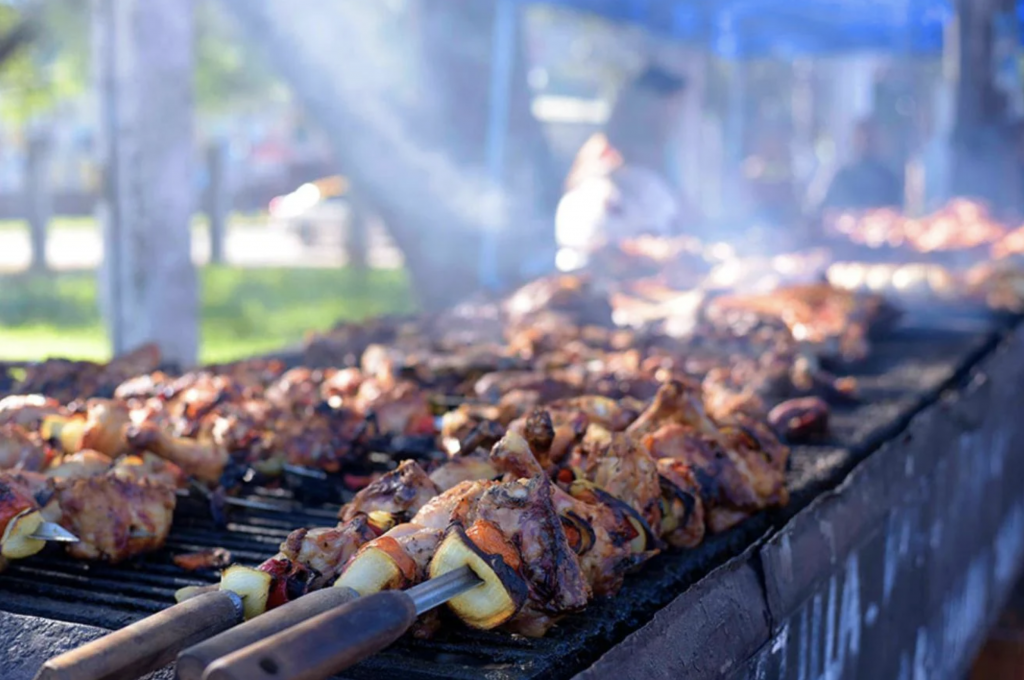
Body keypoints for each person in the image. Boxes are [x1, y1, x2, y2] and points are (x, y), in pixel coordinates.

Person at [554, 65, 695, 271]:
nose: (674, 119)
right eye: (672, 108)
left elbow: (679, 215)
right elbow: (591, 234)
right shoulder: (604, 153)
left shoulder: (662, 155)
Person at [818, 118, 904, 213]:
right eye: (861, 138)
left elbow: (898, 210)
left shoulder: (890, 179)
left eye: (869, 138)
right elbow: (831, 210)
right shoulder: (843, 178)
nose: (865, 142)